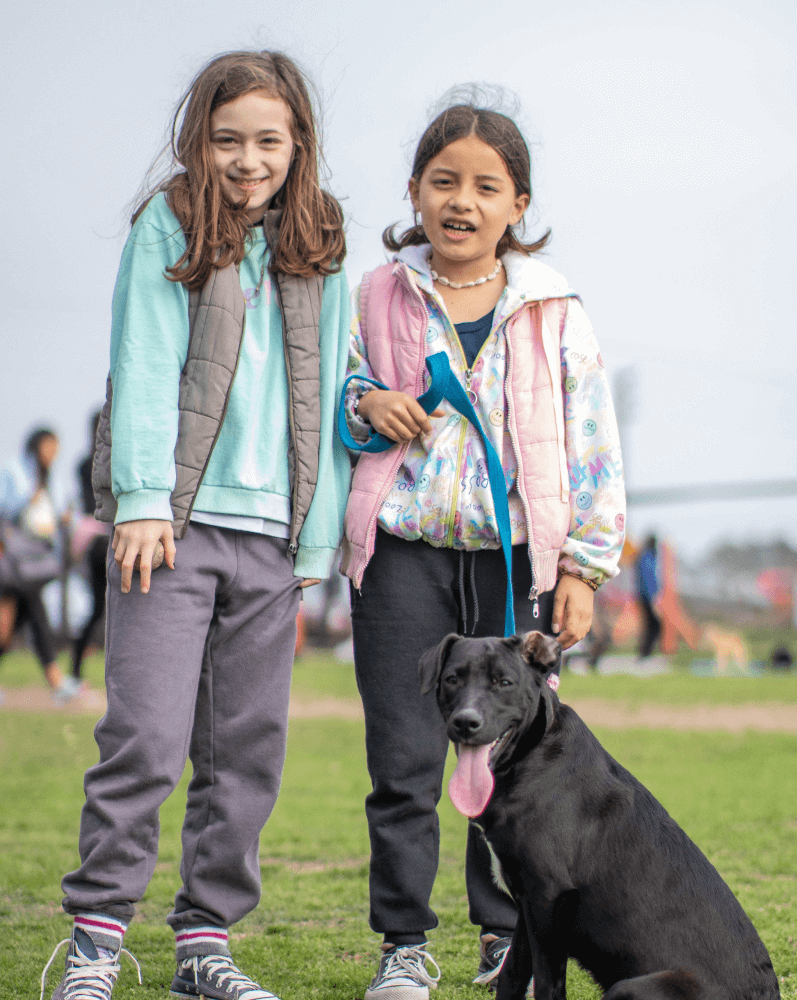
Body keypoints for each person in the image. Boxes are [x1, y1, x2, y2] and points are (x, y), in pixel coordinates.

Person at [41, 50, 351, 1000]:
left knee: (246, 751)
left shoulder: (321, 238)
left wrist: (316, 541)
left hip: (273, 540)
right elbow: (140, 358)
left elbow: (334, 377)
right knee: (143, 735)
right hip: (169, 530)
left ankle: (204, 947)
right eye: (227, 140)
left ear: (299, 143)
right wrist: (139, 499)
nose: (248, 159)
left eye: (268, 140)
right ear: (198, 141)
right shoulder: (169, 224)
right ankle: (95, 945)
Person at [339, 96, 626, 1000]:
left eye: (485, 187)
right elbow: (336, 385)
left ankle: (504, 936)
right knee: (404, 758)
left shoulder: (555, 307)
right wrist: (364, 402)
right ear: (415, 192)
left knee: (509, 759)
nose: (462, 201)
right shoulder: (379, 291)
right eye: (443, 181)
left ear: (517, 205)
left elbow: (592, 440)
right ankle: (403, 946)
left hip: (516, 565)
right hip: (403, 557)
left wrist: (581, 565)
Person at [0, 427, 79, 703]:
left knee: (12, 624)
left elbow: (52, 517)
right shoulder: (14, 471)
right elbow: (2, 510)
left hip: (33, 562)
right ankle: (55, 679)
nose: (53, 454)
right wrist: (26, 501)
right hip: (11, 560)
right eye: (49, 447)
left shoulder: (52, 478)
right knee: (21, 620)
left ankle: (56, 680)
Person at [69, 411, 111, 683]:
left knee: (97, 608)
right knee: (112, 607)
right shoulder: (105, 460)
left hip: (89, 540)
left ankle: (74, 671)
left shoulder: (84, 462)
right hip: (105, 538)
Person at [635, 534, 661, 658]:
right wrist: (653, 599)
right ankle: (644, 653)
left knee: (651, 625)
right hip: (646, 597)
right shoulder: (647, 557)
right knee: (655, 625)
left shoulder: (646, 556)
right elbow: (648, 579)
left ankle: (645, 652)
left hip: (644, 596)